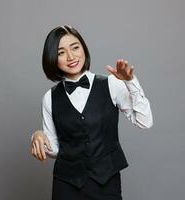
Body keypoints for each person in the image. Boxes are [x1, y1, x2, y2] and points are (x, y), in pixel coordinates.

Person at [30, 25, 153, 200]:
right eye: (61, 52)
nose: (71, 57)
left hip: (106, 182)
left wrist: (130, 82)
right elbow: (57, 149)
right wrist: (38, 135)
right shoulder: (49, 98)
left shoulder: (112, 84)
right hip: (66, 185)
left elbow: (144, 122)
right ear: (52, 58)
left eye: (75, 47)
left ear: (83, 48)